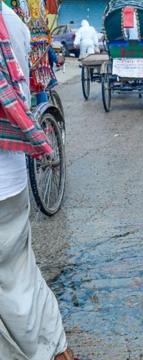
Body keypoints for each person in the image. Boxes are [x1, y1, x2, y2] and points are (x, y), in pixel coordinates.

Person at [0, 4, 75, 360]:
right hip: (11, 177)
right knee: (20, 275)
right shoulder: (13, 20)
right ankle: (59, 350)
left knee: (14, 288)